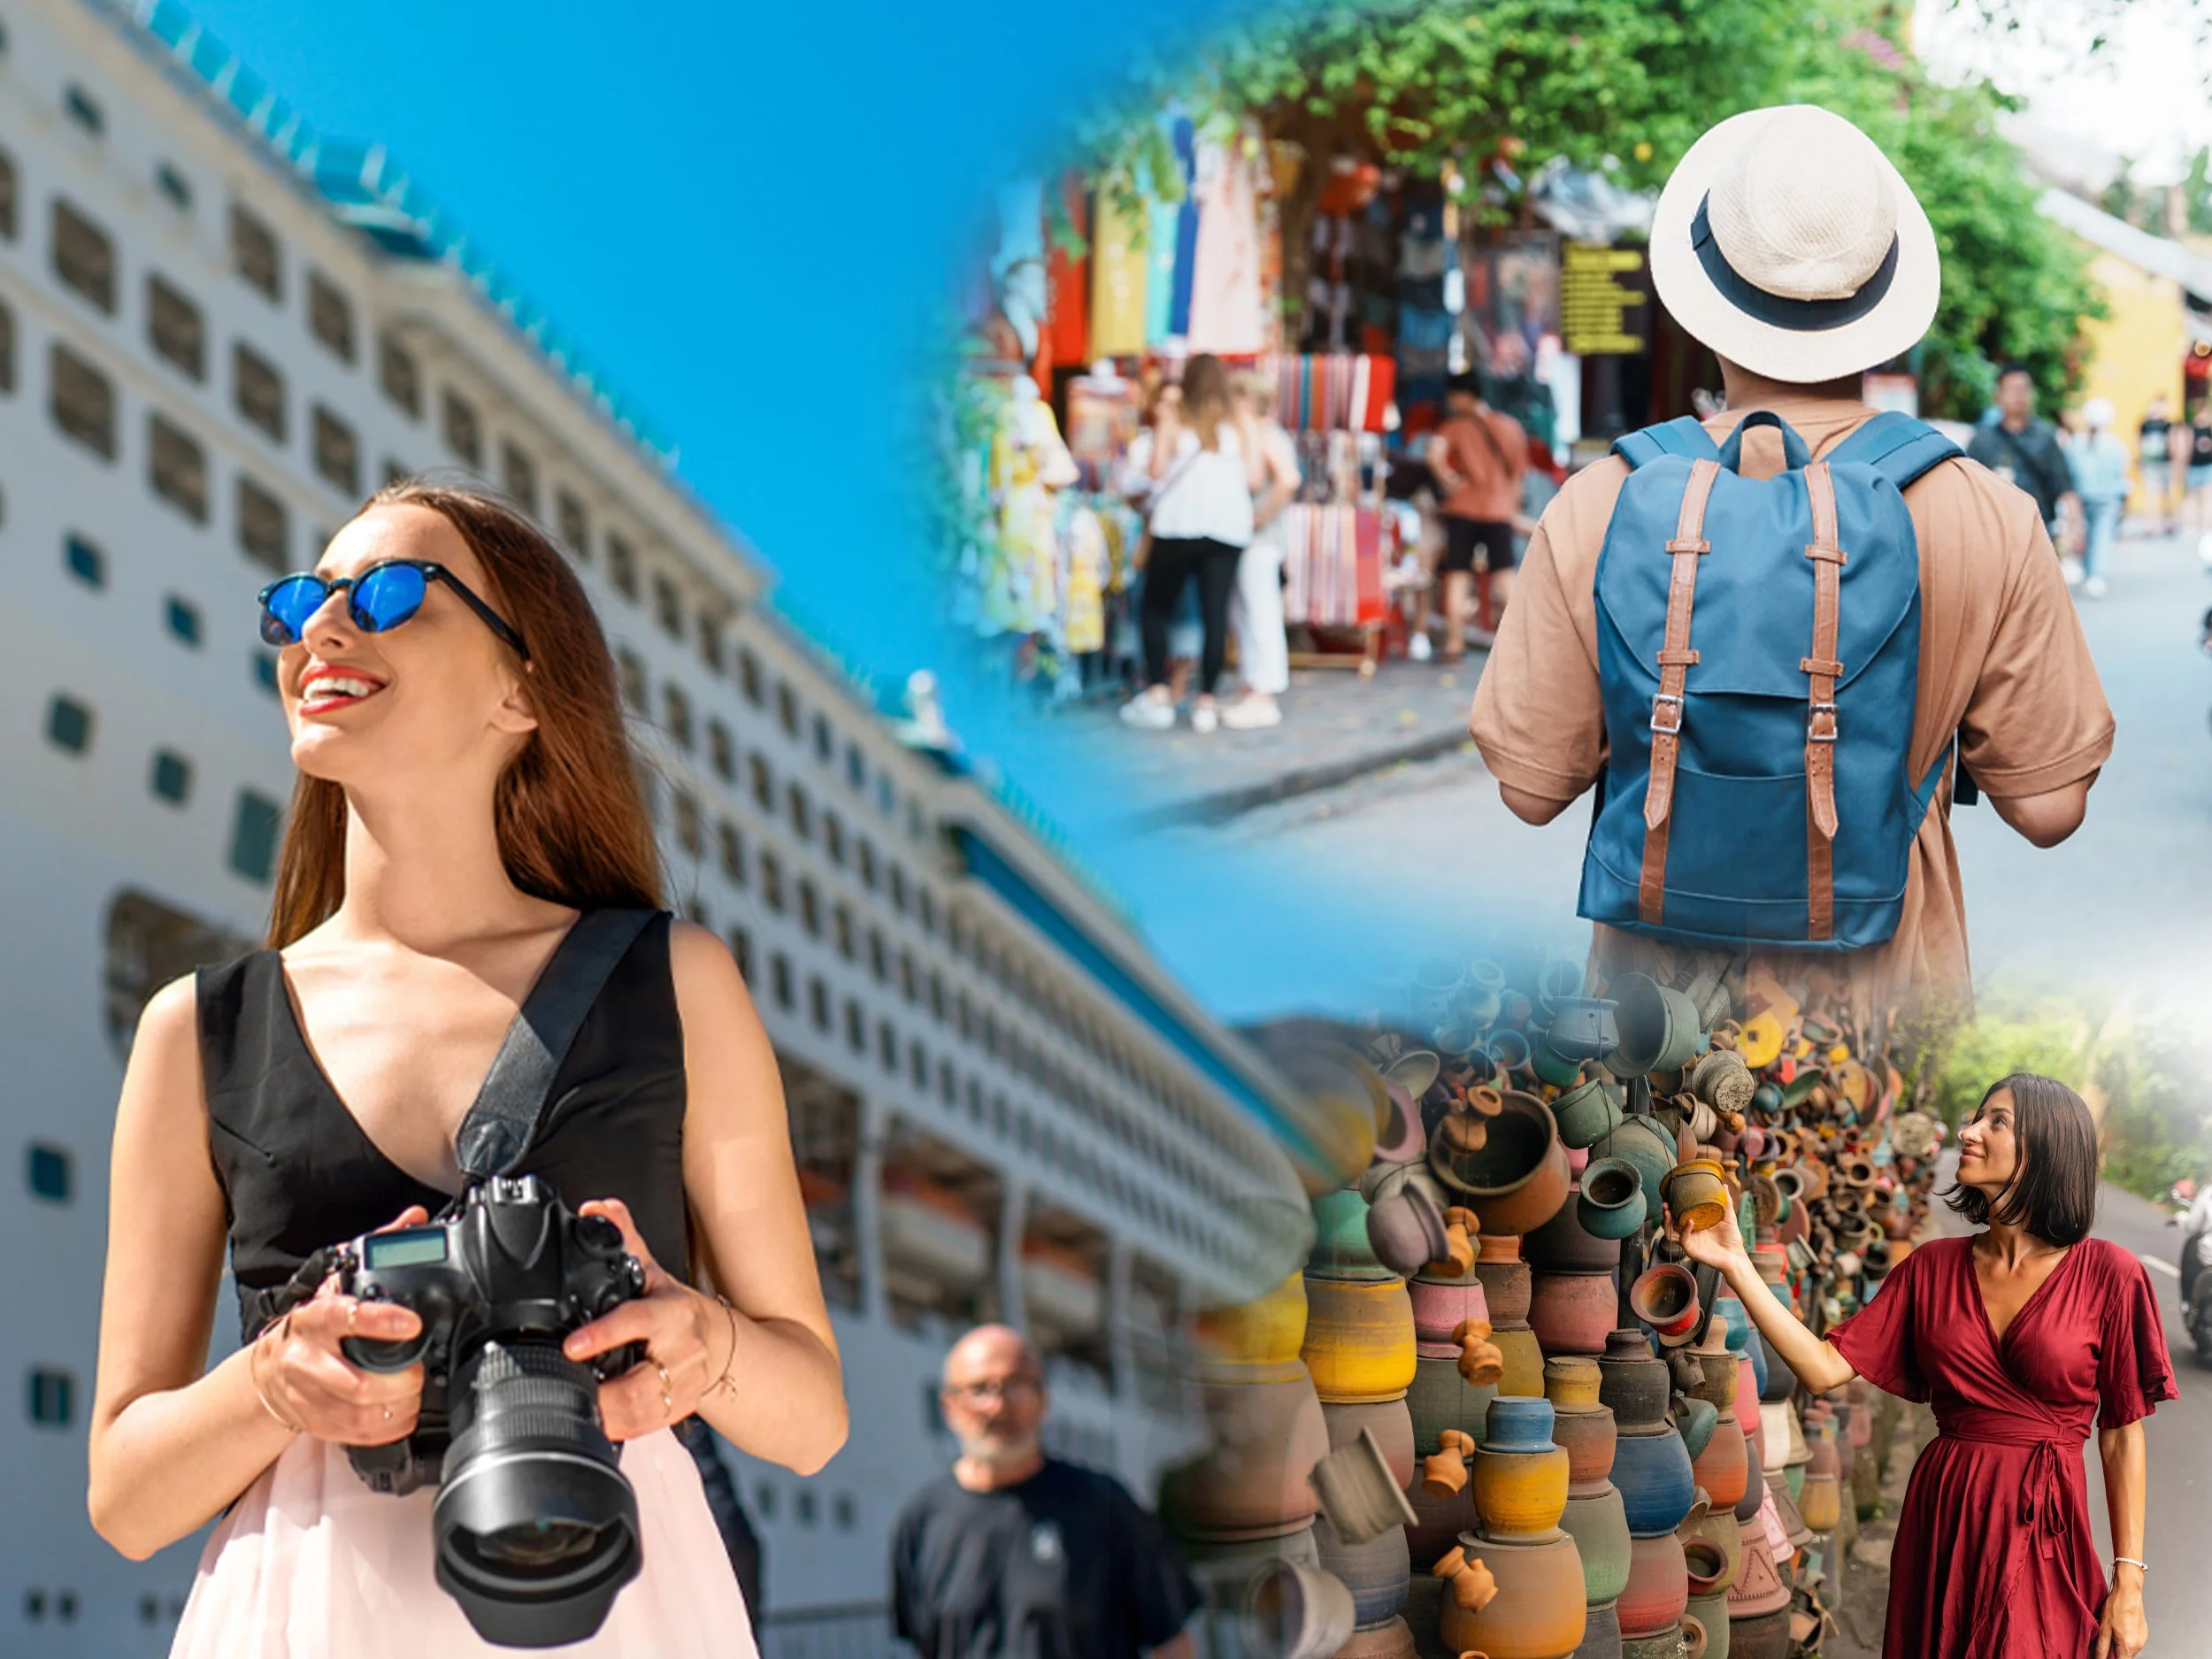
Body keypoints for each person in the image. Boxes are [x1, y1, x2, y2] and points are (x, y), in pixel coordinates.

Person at [87, 481, 848, 1655]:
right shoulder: (201, 1028)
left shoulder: (676, 978)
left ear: (523, 689)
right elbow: (125, 1494)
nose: (323, 629)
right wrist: (277, 1377)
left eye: (390, 593)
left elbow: (812, 1421)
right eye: (303, 601)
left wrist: (706, 1343)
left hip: (619, 1597)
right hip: (309, 1613)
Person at [1470, 104, 2112, 1019]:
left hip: (1658, 1033)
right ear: (1883, 308)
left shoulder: (1606, 500)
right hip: (1888, 1022)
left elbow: (1529, 789)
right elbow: (2049, 809)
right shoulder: (1987, 513)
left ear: (1705, 295)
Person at [1675, 1074, 2175, 1659]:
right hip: (1946, 1512)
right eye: (1975, 1116)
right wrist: (1735, 1262)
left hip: (2046, 1523)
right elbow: (1823, 1368)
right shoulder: (1930, 1268)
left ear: (2047, 1147)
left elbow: (2120, 1436)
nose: (1967, 1131)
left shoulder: (2110, 1275)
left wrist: (2129, 1583)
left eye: (1997, 1122)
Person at [891, 1326, 1200, 1659]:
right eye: (979, 1389)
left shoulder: (1104, 1505)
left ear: (1044, 1400)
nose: (998, 1406)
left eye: (1016, 1386)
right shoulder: (921, 1520)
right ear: (948, 1406)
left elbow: (1171, 1643)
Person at [1118, 356, 1264, 734]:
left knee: (1156, 607)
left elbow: (1155, 471)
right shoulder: (1240, 421)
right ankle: (1206, 701)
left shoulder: (1175, 416)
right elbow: (1253, 478)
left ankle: (1157, 693)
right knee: (1215, 612)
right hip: (1226, 528)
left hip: (1178, 524)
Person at [1426, 373, 1531, 657]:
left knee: (1459, 576)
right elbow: (1519, 476)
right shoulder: (1510, 427)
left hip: (1463, 509)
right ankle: (1515, 647)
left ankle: (1453, 643)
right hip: (1499, 510)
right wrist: (1510, 507)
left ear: (1464, 395)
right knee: (1504, 577)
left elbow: (1433, 455)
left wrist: (1448, 480)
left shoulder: (1454, 427)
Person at [1223, 370, 1302, 731]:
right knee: (1247, 613)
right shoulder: (1258, 435)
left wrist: (1260, 516)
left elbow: (1288, 479)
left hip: (1262, 540)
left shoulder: (1267, 436)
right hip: (1255, 539)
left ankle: (1264, 692)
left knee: (1260, 613)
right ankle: (1253, 685)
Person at [1968, 364, 2079, 549]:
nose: (2019, 395)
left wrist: (2074, 529)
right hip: (1994, 540)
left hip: (2038, 537)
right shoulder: (1982, 441)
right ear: (1998, 394)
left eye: (2024, 389)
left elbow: (2065, 487)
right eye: (2012, 389)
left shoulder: (2045, 438)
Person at [2069, 397, 2131, 598]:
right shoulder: (2114, 444)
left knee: (2085, 535)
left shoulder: (2075, 442)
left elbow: (2069, 472)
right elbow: (2121, 474)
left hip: (2082, 496)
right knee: (2102, 537)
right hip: (2108, 498)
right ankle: (2096, 576)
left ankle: (2088, 573)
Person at [2135, 393, 2175, 536]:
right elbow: (2138, 441)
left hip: (2164, 462)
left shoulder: (2166, 424)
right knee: (2150, 495)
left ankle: (2167, 523)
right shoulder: (2145, 424)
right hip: (2150, 463)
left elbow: (2172, 442)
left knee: (2166, 494)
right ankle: (2151, 525)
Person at [2185, 401, 2212, 550]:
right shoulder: (2191, 430)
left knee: (2208, 498)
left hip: (2208, 466)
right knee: (2192, 498)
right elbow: (2185, 448)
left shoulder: (2210, 430)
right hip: (2194, 467)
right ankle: (2191, 526)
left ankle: (2206, 525)